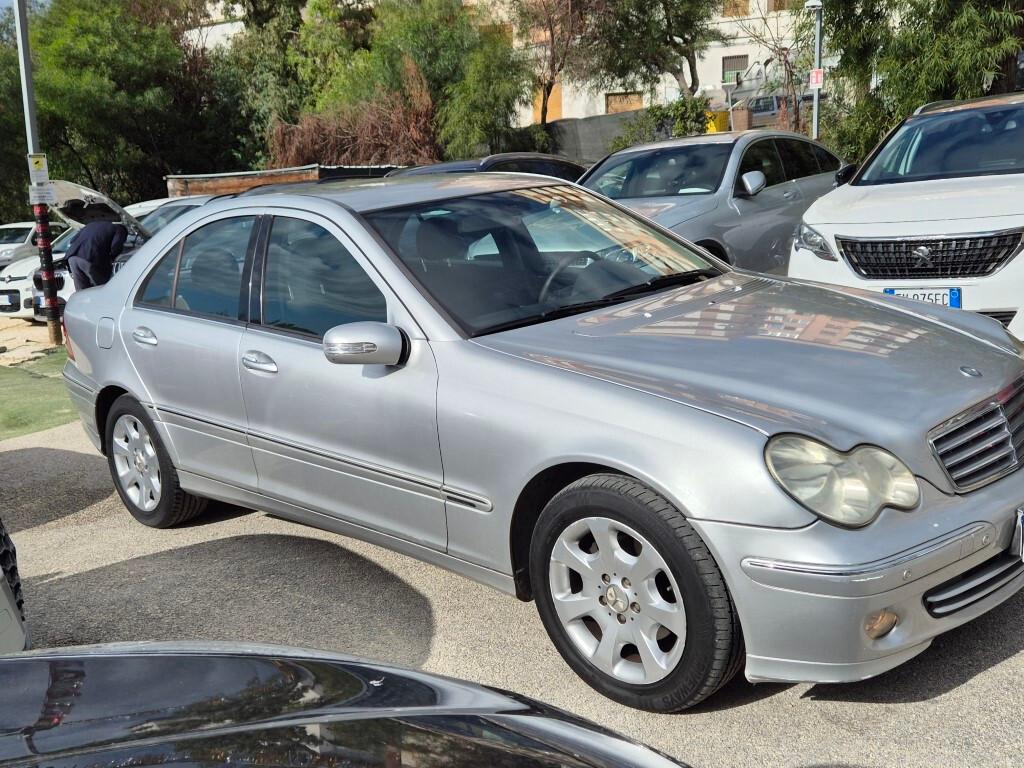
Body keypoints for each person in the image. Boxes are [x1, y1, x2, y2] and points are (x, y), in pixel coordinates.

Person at [66, 221, 128, 291]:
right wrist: (112, 258)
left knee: (81, 290)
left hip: (72, 257)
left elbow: (72, 240)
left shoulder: (91, 225)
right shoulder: (120, 230)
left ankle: (83, 301)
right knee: (102, 287)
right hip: (89, 258)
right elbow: (115, 247)